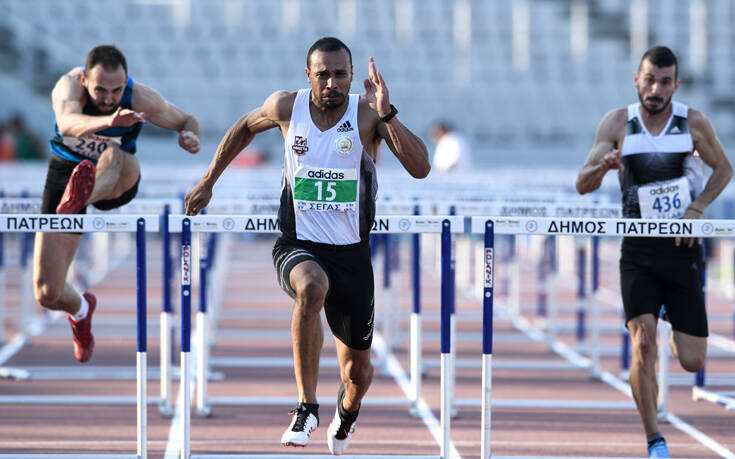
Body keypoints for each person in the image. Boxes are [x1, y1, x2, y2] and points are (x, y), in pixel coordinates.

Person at [185, 37, 430, 455]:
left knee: (357, 374)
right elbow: (244, 126)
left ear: (352, 76)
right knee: (311, 288)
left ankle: (345, 414)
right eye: (323, 75)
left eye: (340, 75)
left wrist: (388, 111)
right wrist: (208, 181)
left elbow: (421, 168)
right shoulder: (286, 106)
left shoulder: (368, 114)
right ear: (308, 76)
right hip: (298, 244)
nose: (332, 83)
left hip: (352, 254)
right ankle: (306, 406)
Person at [575, 46, 732, 458]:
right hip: (638, 252)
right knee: (643, 342)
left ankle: (668, 313)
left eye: (665, 82)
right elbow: (582, 183)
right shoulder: (617, 124)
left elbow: (724, 169)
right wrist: (602, 167)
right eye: (649, 79)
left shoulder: (692, 122)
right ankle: (654, 438)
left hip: (681, 252)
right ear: (636, 79)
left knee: (694, 361)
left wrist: (697, 207)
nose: (656, 88)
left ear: (675, 85)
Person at [34, 44, 201, 363]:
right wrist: (111, 120)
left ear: (126, 83)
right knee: (47, 292)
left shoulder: (141, 97)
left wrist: (190, 136)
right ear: (84, 80)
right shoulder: (67, 85)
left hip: (117, 177)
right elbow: (68, 123)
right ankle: (82, 310)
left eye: (117, 90)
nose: (110, 97)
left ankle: (81, 197)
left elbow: (187, 119)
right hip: (65, 172)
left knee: (116, 156)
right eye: (101, 90)